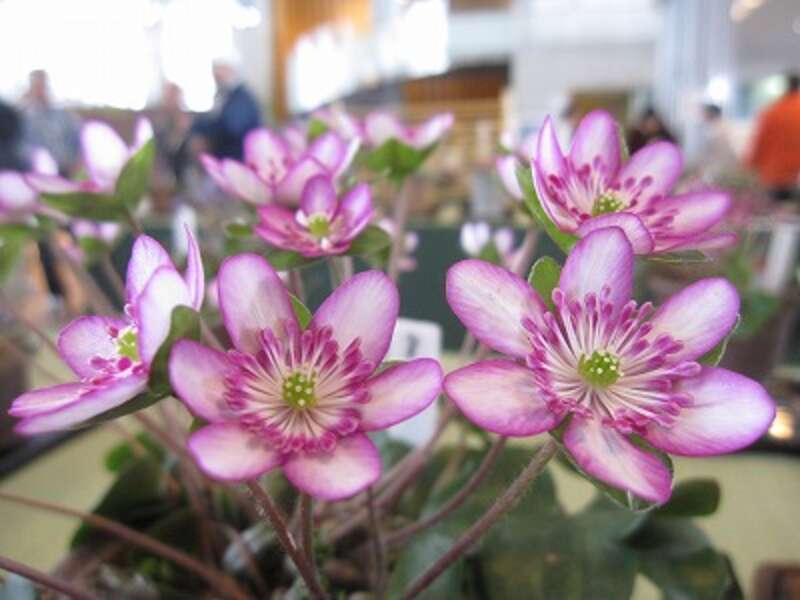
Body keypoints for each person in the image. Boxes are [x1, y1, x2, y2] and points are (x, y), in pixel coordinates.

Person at [190, 59, 261, 161]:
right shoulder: (226, 96)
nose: (215, 76)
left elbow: (233, 126)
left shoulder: (241, 97)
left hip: (237, 158)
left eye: (218, 72)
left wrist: (204, 132)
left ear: (230, 70)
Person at [747, 73, 800, 201]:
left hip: (776, 175)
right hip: (795, 174)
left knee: (781, 209)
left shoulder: (772, 111)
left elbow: (760, 142)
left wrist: (751, 165)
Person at [20, 70, 80, 175]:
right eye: (35, 85)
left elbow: (74, 138)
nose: (39, 89)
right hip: (31, 169)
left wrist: (74, 160)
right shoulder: (23, 114)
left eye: (41, 84)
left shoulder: (63, 113)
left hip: (62, 167)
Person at [694, 103, 738, 183]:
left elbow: (706, 153)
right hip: (722, 167)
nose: (703, 116)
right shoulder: (724, 126)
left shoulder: (714, 131)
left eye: (705, 113)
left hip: (717, 168)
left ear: (711, 113)